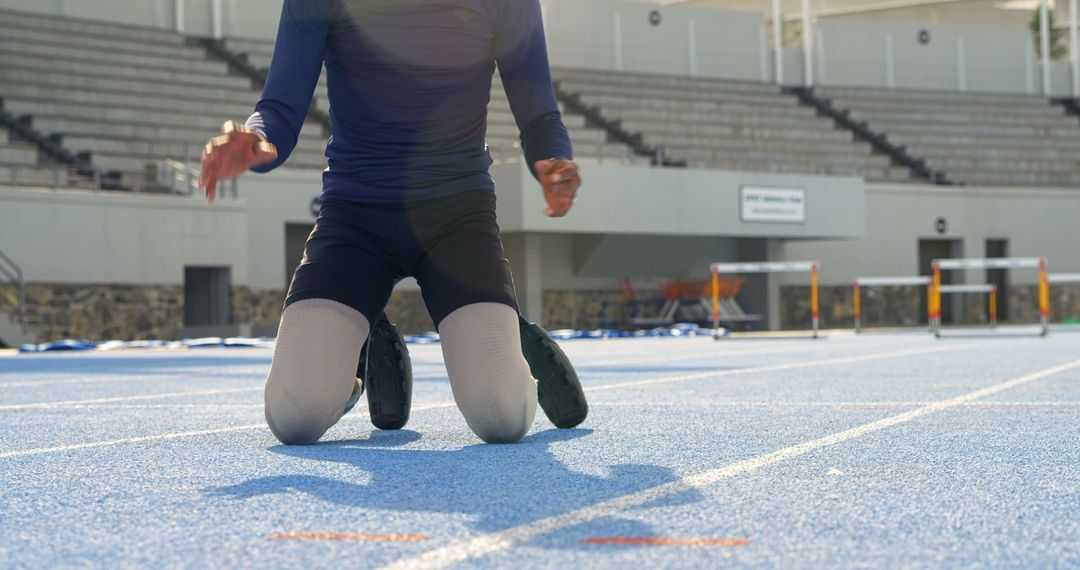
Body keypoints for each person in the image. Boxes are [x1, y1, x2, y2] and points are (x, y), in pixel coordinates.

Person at [199, 0, 586, 445]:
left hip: (457, 218)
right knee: (292, 415)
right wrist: (258, 141)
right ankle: (361, 349)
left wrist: (553, 161)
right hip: (355, 219)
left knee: (502, 417)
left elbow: (539, 112)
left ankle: (513, 335)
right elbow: (280, 107)